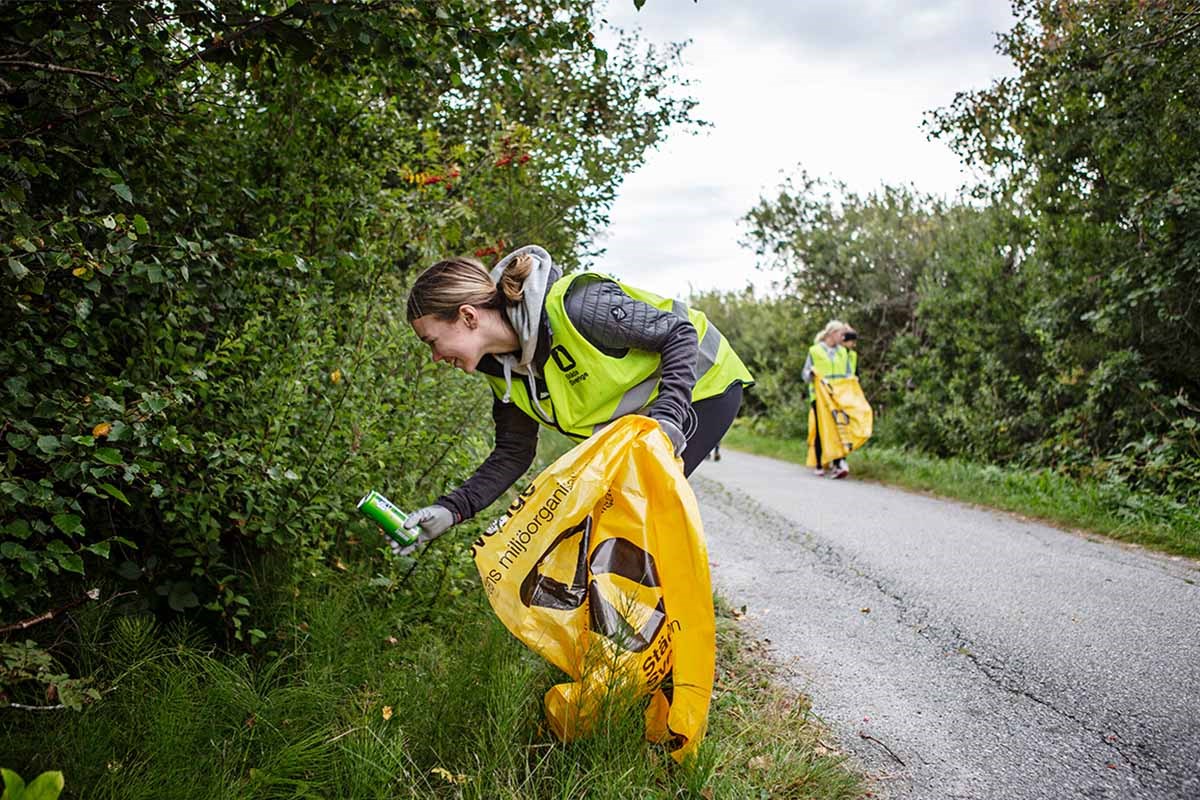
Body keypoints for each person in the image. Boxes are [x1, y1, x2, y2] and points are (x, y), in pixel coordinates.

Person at [398, 245, 754, 551]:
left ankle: (653, 620)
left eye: (432, 341)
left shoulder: (576, 308)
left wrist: (669, 417)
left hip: (702, 386)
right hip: (649, 417)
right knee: (594, 523)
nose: (435, 357)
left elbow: (678, 334)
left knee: (622, 517)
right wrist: (451, 510)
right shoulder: (505, 374)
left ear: (468, 316)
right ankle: (613, 626)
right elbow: (512, 454)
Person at [801, 320, 853, 479]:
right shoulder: (815, 351)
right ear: (831, 334)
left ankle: (838, 463)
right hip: (819, 398)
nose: (843, 337)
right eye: (840, 334)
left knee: (839, 429)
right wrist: (811, 374)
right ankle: (819, 463)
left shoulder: (843, 352)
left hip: (838, 398)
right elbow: (805, 374)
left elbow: (848, 373)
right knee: (821, 429)